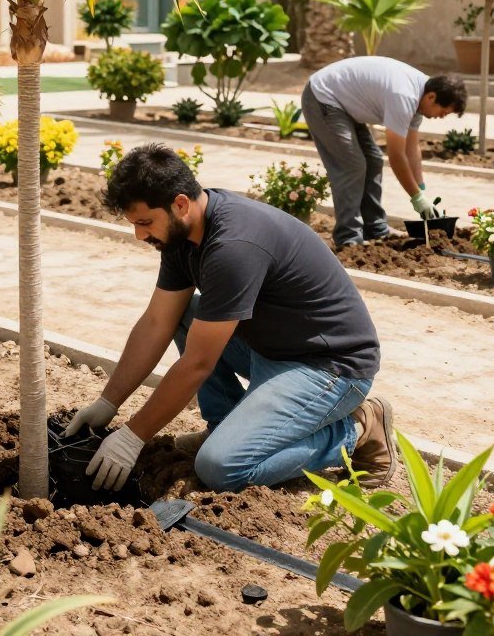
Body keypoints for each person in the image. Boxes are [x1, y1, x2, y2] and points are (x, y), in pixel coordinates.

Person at [64, 143, 392, 494]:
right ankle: (224, 426)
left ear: (180, 203)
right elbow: (157, 322)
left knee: (220, 468)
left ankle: (355, 430)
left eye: (145, 222)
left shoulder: (233, 246)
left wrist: (134, 436)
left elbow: (197, 364)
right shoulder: (182, 235)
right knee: (186, 315)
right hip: (272, 348)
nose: (140, 235)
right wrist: (108, 402)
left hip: (328, 368)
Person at [300, 57, 466, 248]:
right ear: (431, 97)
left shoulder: (422, 96)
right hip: (323, 97)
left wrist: (422, 191)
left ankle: (375, 228)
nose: (441, 117)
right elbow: (396, 156)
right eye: (443, 112)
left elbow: (411, 149)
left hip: (345, 104)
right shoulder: (405, 96)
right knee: (352, 166)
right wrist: (416, 198)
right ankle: (348, 237)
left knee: (374, 160)